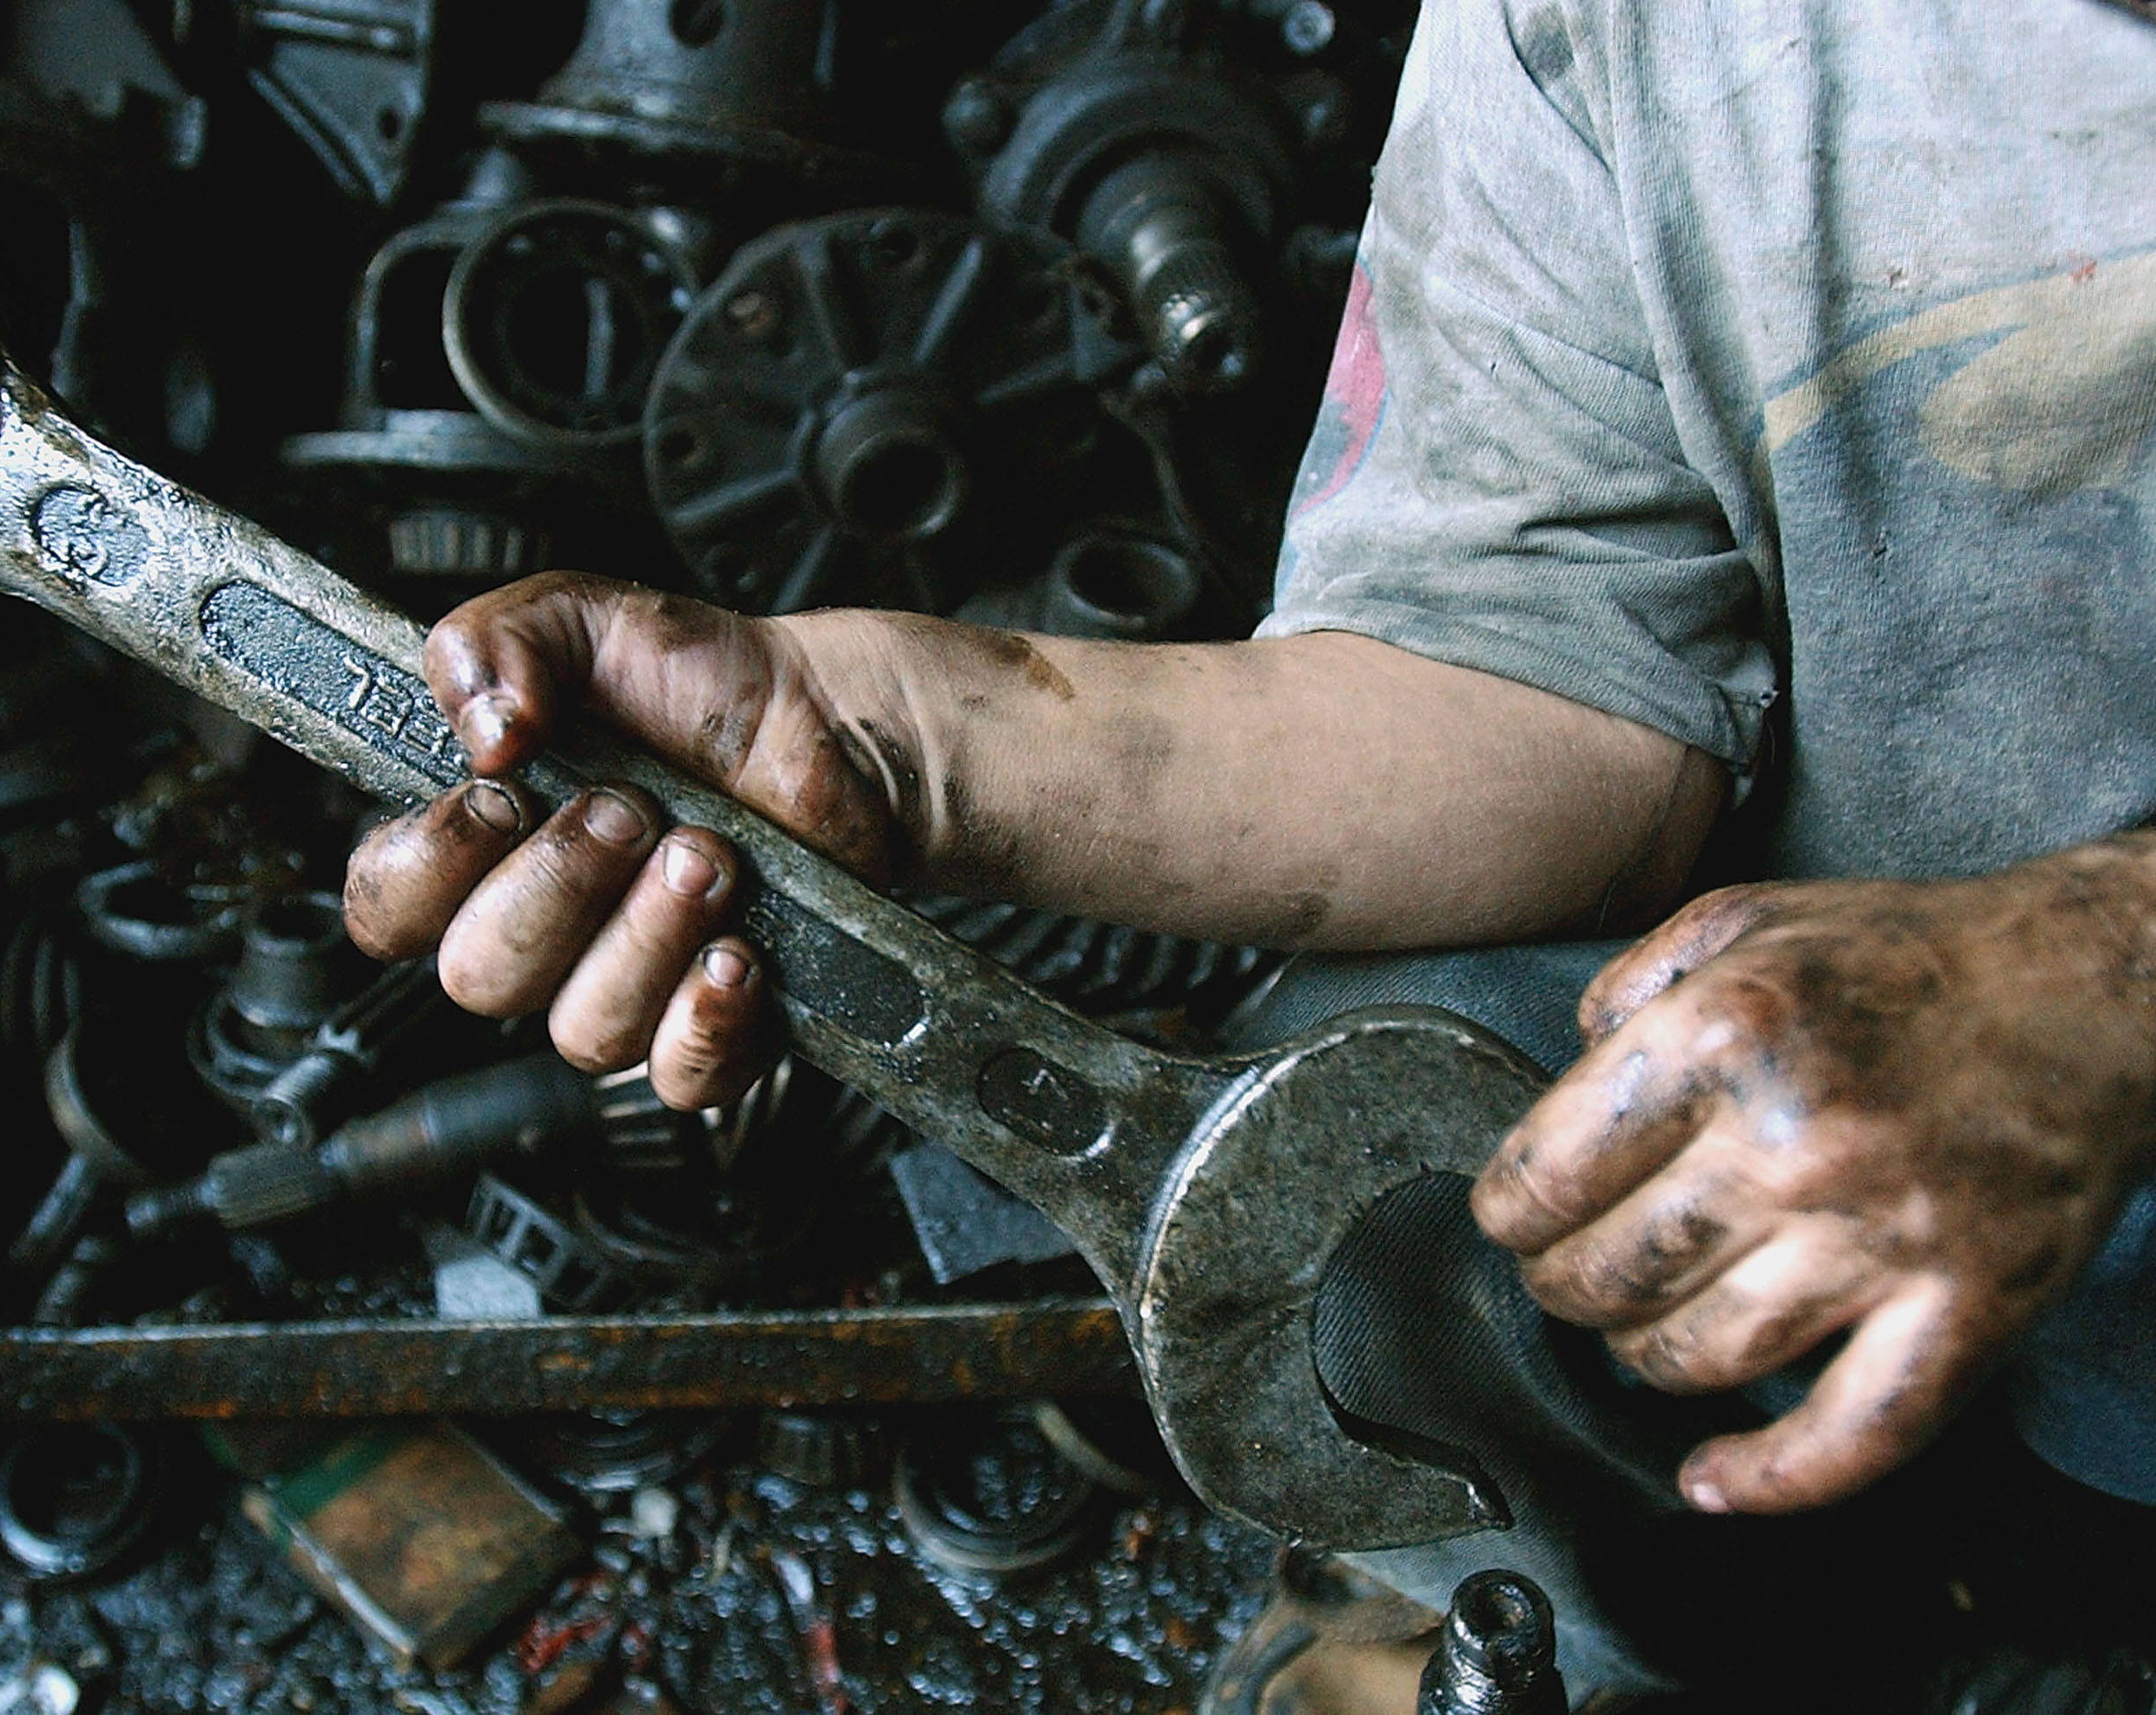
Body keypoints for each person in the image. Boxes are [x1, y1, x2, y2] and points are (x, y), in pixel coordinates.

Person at [343, 0, 2156, 1703]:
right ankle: (1604, 1631)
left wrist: (2099, 979)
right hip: (1827, 1090)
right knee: (1399, 1122)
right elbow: (1548, 677)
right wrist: (879, 738)